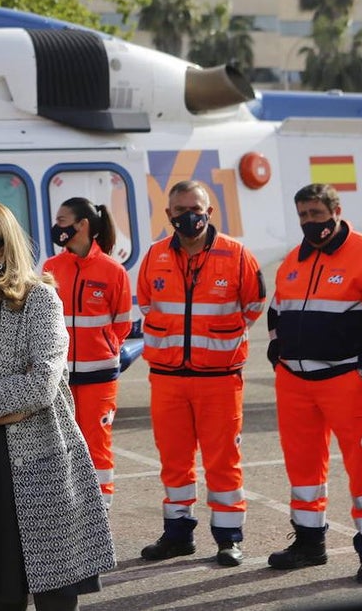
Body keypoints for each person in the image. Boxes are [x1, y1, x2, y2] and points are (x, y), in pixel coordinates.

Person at [0, 196, 114, 611]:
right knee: (1, 598)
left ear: (1, 248)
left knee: (56, 598)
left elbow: (42, 387)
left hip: (45, 471)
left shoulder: (39, 300)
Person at [267, 183, 362, 585]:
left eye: (315, 213)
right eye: (303, 216)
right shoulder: (294, 258)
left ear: (335, 210)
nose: (309, 223)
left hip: (347, 380)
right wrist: (278, 356)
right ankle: (310, 545)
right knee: (303, 468)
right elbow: (277, 312)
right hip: (295, 382)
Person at [136, 180, 265, 568]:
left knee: (222, 462)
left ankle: (228, 539)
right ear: (169, 215)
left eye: (196, 209)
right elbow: (147, 303)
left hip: (220, 380)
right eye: (179, 211)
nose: (188, 216)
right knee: (174, 461)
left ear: (209, 213)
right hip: (168, 378)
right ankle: (178, 535)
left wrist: (217, 339)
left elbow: (254, 305)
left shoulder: (237, 254)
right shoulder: (155, 255)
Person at [42, 197, 133, 509]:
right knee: (60, 442)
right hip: (60, 375)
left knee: (96, 444)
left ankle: (99, 510)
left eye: (63, 219)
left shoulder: (113, 270)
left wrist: (102, 350)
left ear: (82, 225)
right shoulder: (51, 268)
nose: (57, 226)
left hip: (100, 375)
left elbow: (122, 324)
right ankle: (66, 507)